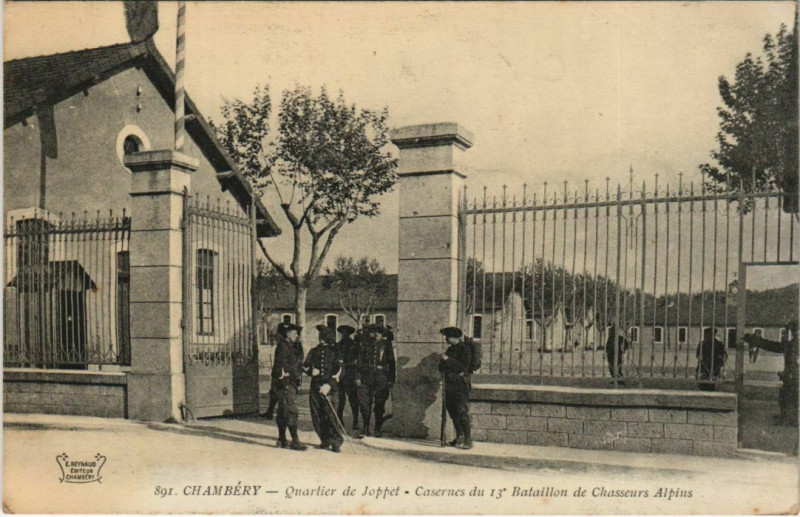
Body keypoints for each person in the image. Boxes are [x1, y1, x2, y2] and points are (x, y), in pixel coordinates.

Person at [744, 320, 798, 426]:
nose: (790, 333)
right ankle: (787, 417)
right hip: (791, 376)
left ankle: (790, 419)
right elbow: (776, 346)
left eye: (792, 330)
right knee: (785, 396)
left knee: (789, 397)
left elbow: (778, 348)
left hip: (794, 377)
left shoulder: (795, 344)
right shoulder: (793, 343)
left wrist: (790, 374)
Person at [303, 325, 344, 452]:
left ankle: (336, 441)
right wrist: (311, 371)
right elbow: (305, 366)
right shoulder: (314, 351)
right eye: (319, 336)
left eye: (323, 336)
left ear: (328, 337)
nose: (320, 338)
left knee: (330, 414)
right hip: (315, 386)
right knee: (317, 414)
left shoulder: (336, 351)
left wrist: (330, 385)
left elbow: (340, 370)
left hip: (328, 387)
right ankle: (325, 440)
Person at [356, 324, 396, 438]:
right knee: (364, 403)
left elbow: (392, 363)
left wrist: (391, 379)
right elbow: (359, 362)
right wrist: (358, 377)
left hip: (381, 378)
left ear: (382, 334)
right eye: (374, 332)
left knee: (379, 404)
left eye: (379, 332)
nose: (376, 334)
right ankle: (365, 428)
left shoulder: (386, 345)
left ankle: (377, 428)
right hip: (365, 378)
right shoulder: (364, 345)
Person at [272, 322, 307, 451]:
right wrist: (283, 381)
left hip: (289, 382)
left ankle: (281, 439)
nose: (296, 335)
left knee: (283, 410)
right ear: (287, 334)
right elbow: (278, 366)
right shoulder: (283, 346)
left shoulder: (291, 346)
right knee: (292, 410)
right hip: (286, 383)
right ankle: (295, 441)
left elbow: (296, 364)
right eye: (294, 332)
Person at [438, 326, 474, 449]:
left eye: (448, 337)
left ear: (455, 337)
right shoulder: (450, 350)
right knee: (453, 413)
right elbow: (441, 367)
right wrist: (443, 363)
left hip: (460, 385)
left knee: (462, 412)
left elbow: (463, 366)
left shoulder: (465, 349)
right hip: (449, 385)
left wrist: (447, 360)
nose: (446, 339)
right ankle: (459, 437)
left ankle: (468, 440)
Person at [335, 325, 360, 431]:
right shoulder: (337, 346)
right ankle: (339, 421)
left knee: (354, 400)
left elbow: (358, 363)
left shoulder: (355, 346)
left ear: (349, 333)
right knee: (341, 400)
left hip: (351, 376)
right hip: (340, 376)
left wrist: (357, 377)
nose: (344, 334)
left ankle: (355, 422)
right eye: (342, 332)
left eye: (346, 332)